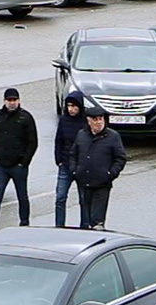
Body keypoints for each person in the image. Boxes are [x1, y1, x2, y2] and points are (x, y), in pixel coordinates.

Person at [0, 88, 37, 235]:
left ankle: (24, 224)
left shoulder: (25, 118)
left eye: (14, 100)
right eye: (9, 100)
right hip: (1, 165)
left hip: (18, 166)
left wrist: (24, 162)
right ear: (4, 101)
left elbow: (32, 142)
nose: (12, 103)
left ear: (19, 101)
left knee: (22, 196)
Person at [70, 107, 127, 230]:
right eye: (95, 119)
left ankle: (99, 236)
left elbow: (120, 158)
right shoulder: (82, 135)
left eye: (101, 119)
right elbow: (73, 154)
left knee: (97, 220)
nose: (99, 122)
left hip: (102, 184)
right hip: (84, 182)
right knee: (88, 216)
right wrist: (75, 170)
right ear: (88, 120)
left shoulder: (112, 136)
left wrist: (110, 174)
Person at [54, 94, 88, 228]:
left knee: (84, 199)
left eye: (74, 106)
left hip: (82, 167)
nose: (71, 109)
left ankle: (85, 226)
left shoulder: (85, 122)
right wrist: (59, 160)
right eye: (69, 106)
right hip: (65, 165)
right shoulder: (64, 120)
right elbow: (58, 140)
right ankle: (59, 226)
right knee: (60, 198)